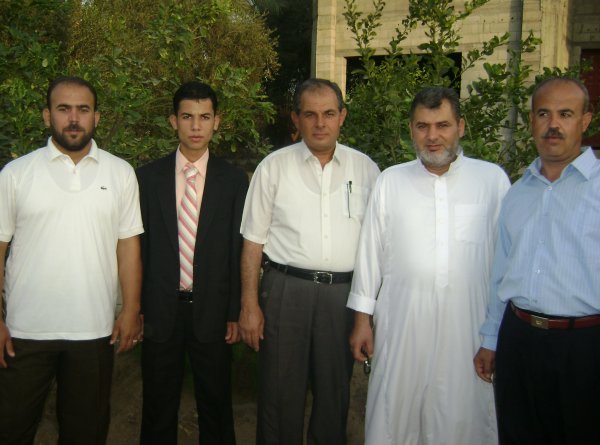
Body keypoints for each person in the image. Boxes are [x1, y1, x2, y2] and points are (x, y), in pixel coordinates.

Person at [349, 86, 510, 445]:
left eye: (443, 125)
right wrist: (362, 320)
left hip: (468, 327)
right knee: (395, 414)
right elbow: (370, 254)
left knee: (463, 416)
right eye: (422, 126)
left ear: (461, 127)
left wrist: (495, 334)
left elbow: (504, 264)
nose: (432, 136)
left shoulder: (492, 181)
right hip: (402, 323)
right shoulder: (391, 181)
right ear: (411, 130)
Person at [0, 76, 143, 444]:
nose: (74, 118)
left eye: (83, 109)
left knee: (86, 433)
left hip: (93, 329)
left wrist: (131, 310)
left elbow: (128, 246)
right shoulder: (15, 175)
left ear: (97, 117)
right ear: (47, 116)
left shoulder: (121, 173)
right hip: (25, 330)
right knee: (11, 429)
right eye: (64, 109)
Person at [239, 78, 380, 445]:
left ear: (342, 116)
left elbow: (377, 247)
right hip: (286, 292)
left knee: (334, 396)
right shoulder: (273, 168)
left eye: (329, 114)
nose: (320, 123)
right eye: (310, 114)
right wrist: (249, 306)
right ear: (296, 118)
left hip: (343, 297)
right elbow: (252, 242)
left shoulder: (367, 170)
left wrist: (367, 314)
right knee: (278, 395)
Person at [475, 76, 599, 444]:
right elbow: (501, 273)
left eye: (565, 114)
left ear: (585, 120)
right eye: (544, 114)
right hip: (519, 340)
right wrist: (490, 339)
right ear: (531, 121)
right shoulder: (517, 194)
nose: (553, 124)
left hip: (585, 347)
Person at [136, 81, 248, 445]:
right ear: (173, 121)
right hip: (159, 312)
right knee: (157, 407)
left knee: (216, 407)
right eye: (187, 117)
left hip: (213, 312)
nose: (196, 126)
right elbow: (139, 249)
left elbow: (237, 250)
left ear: (217, 121)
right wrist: (137, 308)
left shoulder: (234, 181)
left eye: (204, 117)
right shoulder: (147, 179)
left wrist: (234, 311)